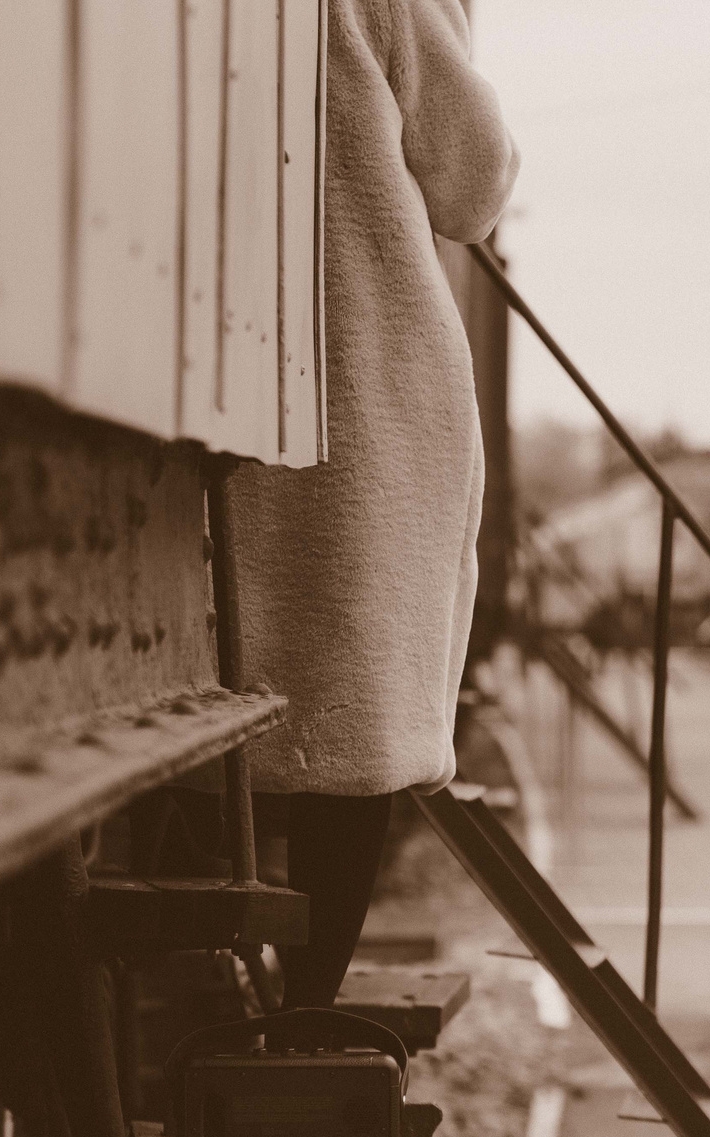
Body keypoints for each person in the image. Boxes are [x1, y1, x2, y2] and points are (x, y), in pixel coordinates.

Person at [220, 0, 519, 1012]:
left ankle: (214, 984)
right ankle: (301, 1009)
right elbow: (470, 178)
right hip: (355, 368)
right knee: (356, 711)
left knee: (212, 693)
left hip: (214, 365)